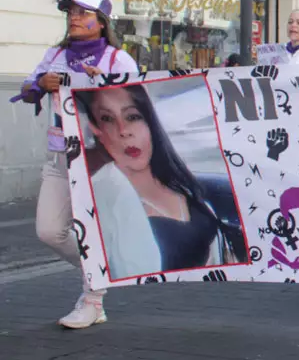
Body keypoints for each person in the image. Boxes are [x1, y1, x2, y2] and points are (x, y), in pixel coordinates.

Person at [13, 0, 139, 328]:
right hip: (59, 157)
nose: (74, 18)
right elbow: (26, 90)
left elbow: (138, 100)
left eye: (83, 13)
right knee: (50, 231)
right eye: (71, 12)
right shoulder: (55, 54)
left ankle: (93, 300)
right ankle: (101, 270)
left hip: (101, 159)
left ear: (101, 22)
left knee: (93, 231)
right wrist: (41, 82)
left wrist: (108, 86)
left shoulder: (117, 59)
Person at [75, 85, 249, 279]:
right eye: (107, 119)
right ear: (96, 129)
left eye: (132, 117)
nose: (124, 131)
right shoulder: (106, 196)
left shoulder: (181, 184)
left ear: (150, 121)